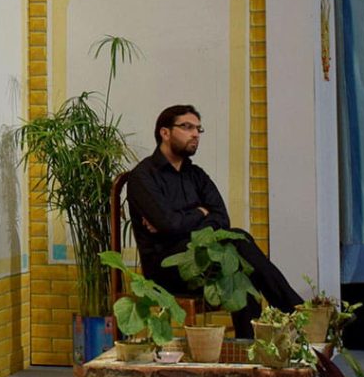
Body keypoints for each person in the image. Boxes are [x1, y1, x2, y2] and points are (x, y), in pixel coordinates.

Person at [124, 104, 304, 336]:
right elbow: (169, 224)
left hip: (205, 260)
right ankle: (297, 313)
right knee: (238, 241)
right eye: (187, 127)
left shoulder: (196, 175)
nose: (195, 134)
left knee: (238, 267)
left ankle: (249, 345)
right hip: (168, 268)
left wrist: (182, 222)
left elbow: (221, 219)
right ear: (165, 132)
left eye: (198, 129)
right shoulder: (143, 176)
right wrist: (200, 213)